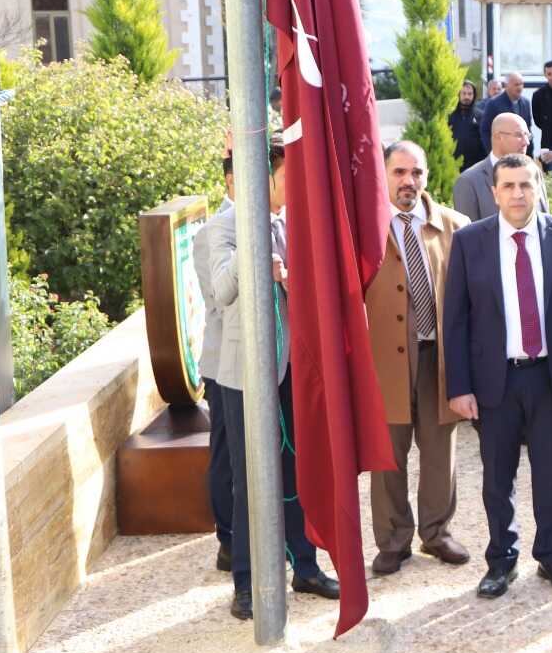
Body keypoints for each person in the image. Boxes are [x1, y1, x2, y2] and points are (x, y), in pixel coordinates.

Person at [443, 154, 552, 599]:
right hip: (494, 380)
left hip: (551, 377)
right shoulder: (470, 241)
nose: (518, 193)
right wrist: (459, 386)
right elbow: (455, 320)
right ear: (494, 192)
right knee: (498, 478)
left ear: (538, 187)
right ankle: (501, 560)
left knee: (550, 473)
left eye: (526, 184)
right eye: (508, 185)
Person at [205, 142, 341, 619]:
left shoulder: (287, 224)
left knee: (294, 472)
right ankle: (246, 583)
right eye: (285, 178)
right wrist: (253, 252)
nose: (292, 187)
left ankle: (305, 565)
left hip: (288, 368)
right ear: (257, 182)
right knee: (250, 480)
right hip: (243, 375)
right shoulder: (221, 229)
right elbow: (221, 292)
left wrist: (292, 278)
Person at [366, 141, 471, 576]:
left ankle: (437, 532)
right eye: (399, 172)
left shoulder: (456, 227)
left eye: (416, 173)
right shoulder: (365, 228)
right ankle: (392, 539)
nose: (409, 181)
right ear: (383, 175)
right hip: (384, 361)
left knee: (440, 449)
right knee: (387, 454)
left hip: (437, 358)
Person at [191, 157, 237, 575]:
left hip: (263, 362)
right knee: (227, 453)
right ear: (232, 180)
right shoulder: (214, 232)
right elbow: (221, 301)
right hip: (226, 362)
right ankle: (229, 541)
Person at [454, 113, 547, 223]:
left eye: (527, 135)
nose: (526, 142)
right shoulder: (469, 182)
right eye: (519, 135)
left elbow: (545, 223)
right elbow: (468, 232)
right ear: (498, 137)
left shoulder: (534, 172)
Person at [480, 71, 534, 157]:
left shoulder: (525, 103)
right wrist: (494, 153)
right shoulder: (493, 103)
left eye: (521, 84)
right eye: (516, 84)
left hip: (521, 156)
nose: (520, 87)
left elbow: (528, 129)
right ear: (506, 86)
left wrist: (530, 155)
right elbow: (485, 130)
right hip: (502, 155)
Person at [449, 80, 485, 173]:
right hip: (453, 165)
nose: (467, 97)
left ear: (474, 95)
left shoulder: (480, 116)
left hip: (474, 167)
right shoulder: (450, 115)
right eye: (464, 93)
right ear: (458, 94)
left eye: (470, 94)